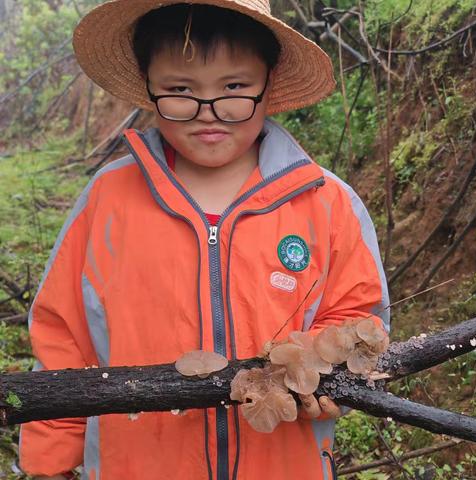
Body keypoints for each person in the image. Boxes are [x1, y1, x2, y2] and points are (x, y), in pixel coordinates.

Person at [19, 1, 390, 479]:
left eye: (234, 88)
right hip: (135, 465)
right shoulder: (108, 202)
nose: (208, 113)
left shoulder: (324, 202)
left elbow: (360, 315)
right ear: (149, 87)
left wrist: (331, 377)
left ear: (267, 82)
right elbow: (62, 339)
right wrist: (49, 462)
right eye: (180, 90)